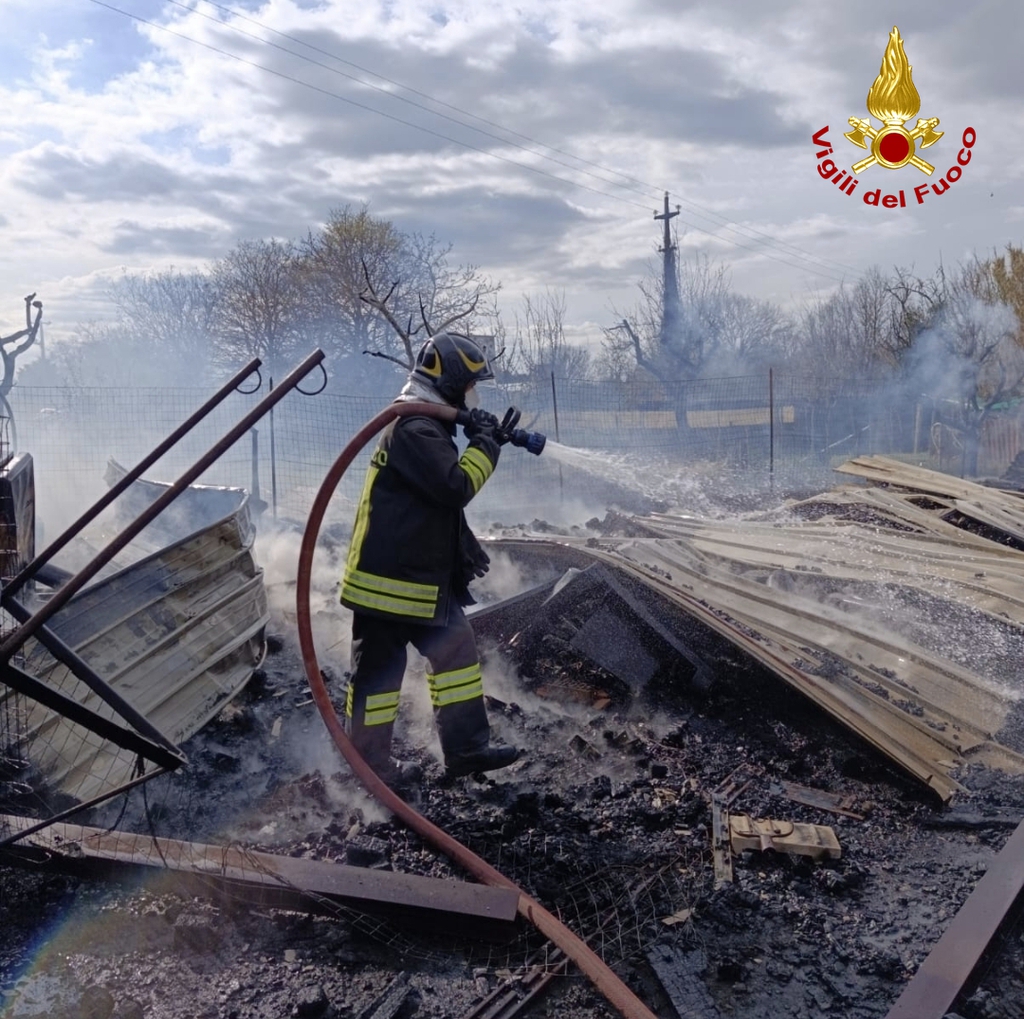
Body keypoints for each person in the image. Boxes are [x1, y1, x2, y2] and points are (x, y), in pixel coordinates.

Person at [338, 331, 522, 784]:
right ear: (451, 382)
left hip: (415, 579)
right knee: (379, 678)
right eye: (468, 385)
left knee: (455, 650)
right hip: (390, 583)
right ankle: (366, 768)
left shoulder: (424, 425)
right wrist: (485, 446)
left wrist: (463, 543)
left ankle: (466, 749)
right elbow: (454, 487)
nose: (471, 395)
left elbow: (434, 501)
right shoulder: (415, 428)